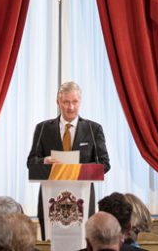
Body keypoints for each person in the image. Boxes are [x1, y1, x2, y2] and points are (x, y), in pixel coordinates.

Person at [27, 82, 110, 236]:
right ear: (58, 102)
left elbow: (104, 164)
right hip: (51, 198)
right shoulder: (43, 128)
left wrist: (77, 169)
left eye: (74, 102)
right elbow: (31, 162)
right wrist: (44, 161)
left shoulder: (93, 129)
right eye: (66, 102)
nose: (70, 107)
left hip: (82, 199)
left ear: (80, 102)